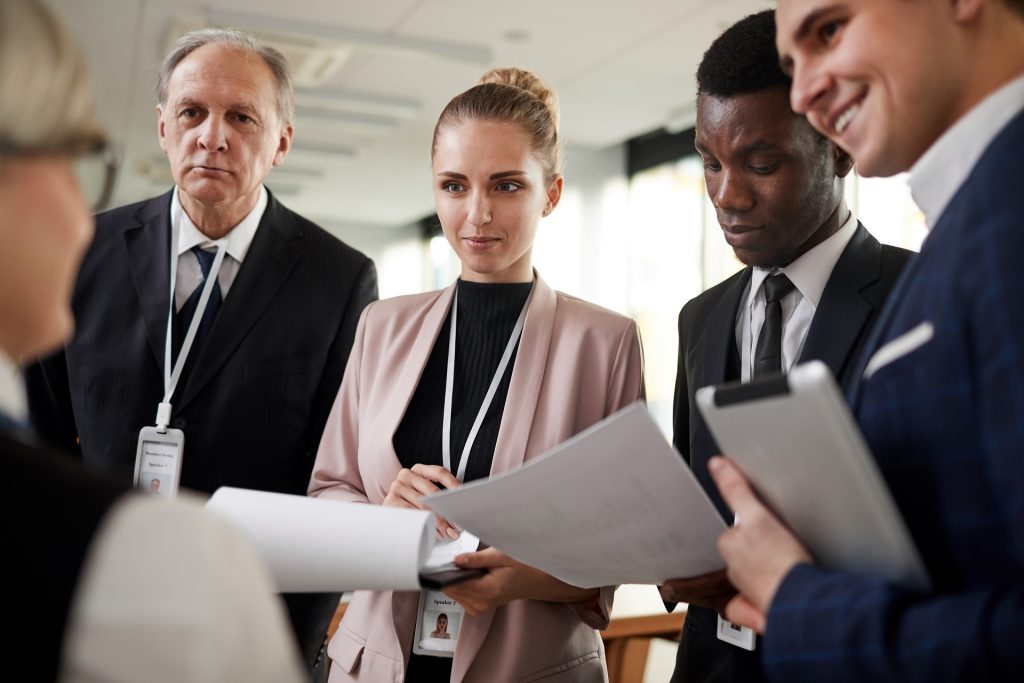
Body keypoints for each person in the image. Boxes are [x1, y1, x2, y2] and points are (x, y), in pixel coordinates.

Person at [24, 26, 378, 669]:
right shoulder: (85, 248)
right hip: (90, 611)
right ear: (163, 128)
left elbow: (332, 485)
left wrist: (289, 653)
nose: (212, 136)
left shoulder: (340, 279)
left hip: (248, 623)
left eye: (242, 117)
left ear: (282, 142)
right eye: (192, 112)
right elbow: (39, 443)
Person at [704, 0, 1024, 680]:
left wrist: (800, 602)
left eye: (830, 30)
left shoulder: (1008, 219)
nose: (804, 91)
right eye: (793, 63)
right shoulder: (969, 223)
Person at [309, 67, 645, 682]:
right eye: (454, 185)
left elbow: (621, 541)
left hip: (529, 666)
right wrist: (384, 519)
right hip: (380, 666)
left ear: (552, 193)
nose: (477, 214)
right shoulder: (381, 327)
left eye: (507, 185)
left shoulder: (604, 343)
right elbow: (328, 494)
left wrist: (525, 579)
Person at [657, 10, 913, 682]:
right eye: (709, 163)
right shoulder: (698, 319)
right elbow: (694, 503)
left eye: (761, 163)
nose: (726, 195)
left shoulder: (921, 294)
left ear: (838, 147)